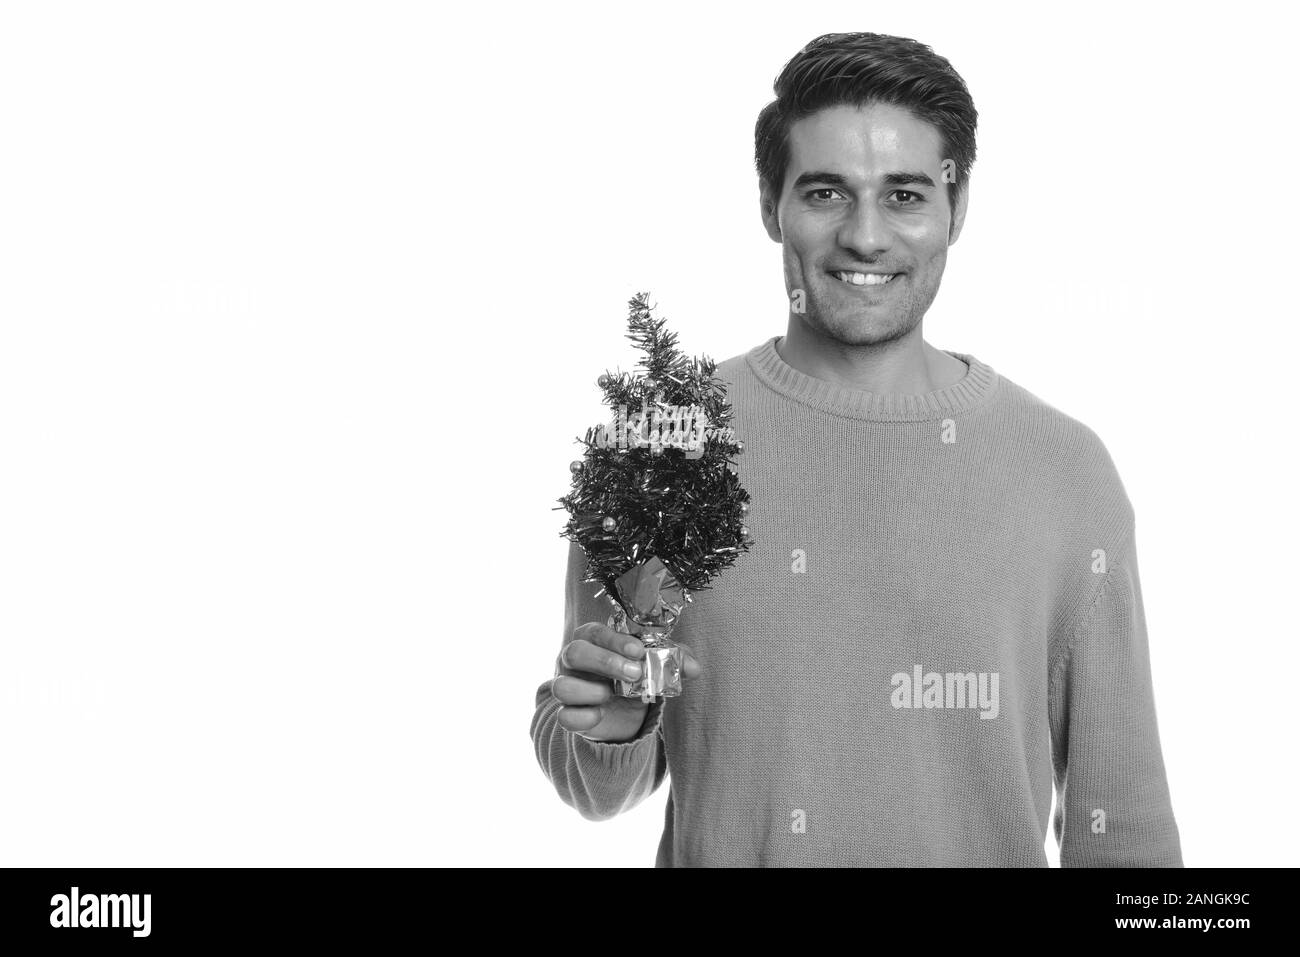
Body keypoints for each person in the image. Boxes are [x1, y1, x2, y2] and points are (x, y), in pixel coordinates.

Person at [530, 31, 1182, 867]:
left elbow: (1126, 833)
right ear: (770, 204)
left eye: (905, 194)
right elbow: (590, 773)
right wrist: (617, 726)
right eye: (826, 192)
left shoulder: (1063, 470)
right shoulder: (662, 447)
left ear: (958, 206)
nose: (866, 237)